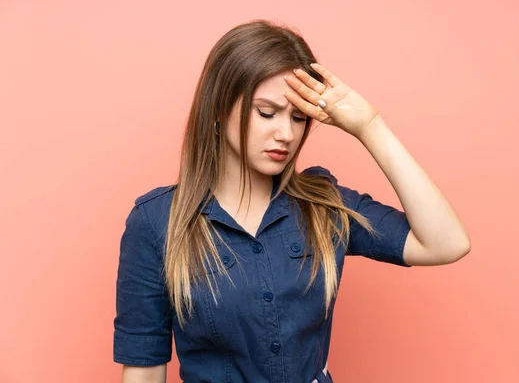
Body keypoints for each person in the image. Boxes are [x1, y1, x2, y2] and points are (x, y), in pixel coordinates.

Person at [113, 19, 471, 383]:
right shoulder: (157, 222)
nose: (285, 133)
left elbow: (446, 243)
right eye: (266, 113)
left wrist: (369, 125)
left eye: (299, 117)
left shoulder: (323, 207)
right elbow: (144, 369)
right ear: (219, 110)